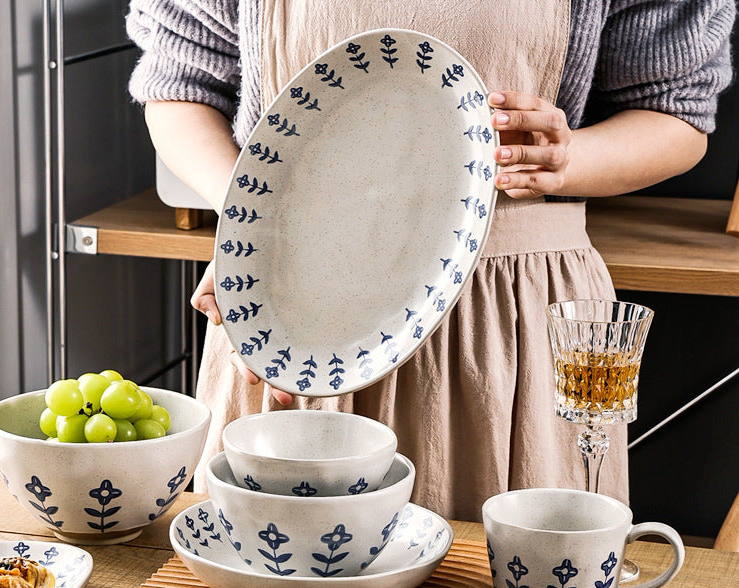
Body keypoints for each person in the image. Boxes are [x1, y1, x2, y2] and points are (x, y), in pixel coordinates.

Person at [126, 0, 735, 521]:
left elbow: (674, 112)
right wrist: (260, 225)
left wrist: (567, 159)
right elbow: (180, 89)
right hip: (299, 296)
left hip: (508, 313)